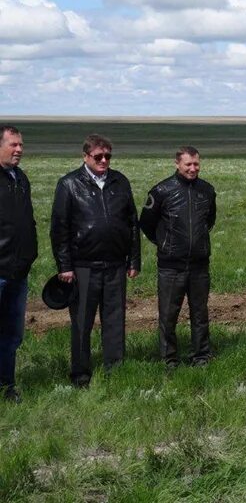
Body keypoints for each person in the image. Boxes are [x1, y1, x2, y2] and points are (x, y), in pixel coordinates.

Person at [50, 134, 141, 387]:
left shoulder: (120, 181)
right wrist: (65, 266)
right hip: (82, 267)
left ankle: (116, 369)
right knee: (82, 322)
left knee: (115, 320)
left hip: (115, 265)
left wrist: (133, 260)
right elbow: (60, 228)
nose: (103, 161)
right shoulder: (69, 184)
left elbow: (132, 223)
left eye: (107, 156)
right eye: (98, 156)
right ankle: (80, 374)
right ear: (85, 156)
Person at [139, 147, 216, 369]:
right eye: (188, 164)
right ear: (177, 164)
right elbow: (146, 223)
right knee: (168, 315)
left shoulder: (207, 191)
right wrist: (165, 244)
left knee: (200, 313)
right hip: (170, 266)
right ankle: (169, 359)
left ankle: (201, 355)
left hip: (199, 265)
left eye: (196, 164)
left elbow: (209, 220)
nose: (193, 169)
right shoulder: (161, 191)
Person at [0, 126, 37, 403]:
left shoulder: (20, 178)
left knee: (12, 334)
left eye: (21, 145)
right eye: (13, 145)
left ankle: (7, 386)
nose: (19, 150)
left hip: (18, 272)